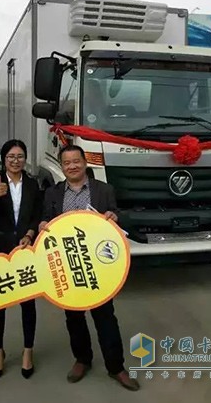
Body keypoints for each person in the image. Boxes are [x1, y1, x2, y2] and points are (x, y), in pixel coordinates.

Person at [39, 145, 140, 391]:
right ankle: (82, 359)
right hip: (68, 264)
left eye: (76, 161)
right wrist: (42, 225)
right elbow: (45, 219)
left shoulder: (104, 190)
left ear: (85, 163)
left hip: (98, 264)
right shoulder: (52, 193)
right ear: (62, 166)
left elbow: (119, 214)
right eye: (67, 163)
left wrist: (115, 216)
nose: (72, 166)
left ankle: (116, 367)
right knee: (73, 316)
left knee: (105, 316)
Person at [0, 139, 41, 381]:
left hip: (25, 249)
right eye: (11, 157)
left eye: (20, 156)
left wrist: (29, 234)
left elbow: (36, 214)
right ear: (4, 159)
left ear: (25, 159)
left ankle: (28, 351)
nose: (16, 161)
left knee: (27, 303)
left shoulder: (33, 184)